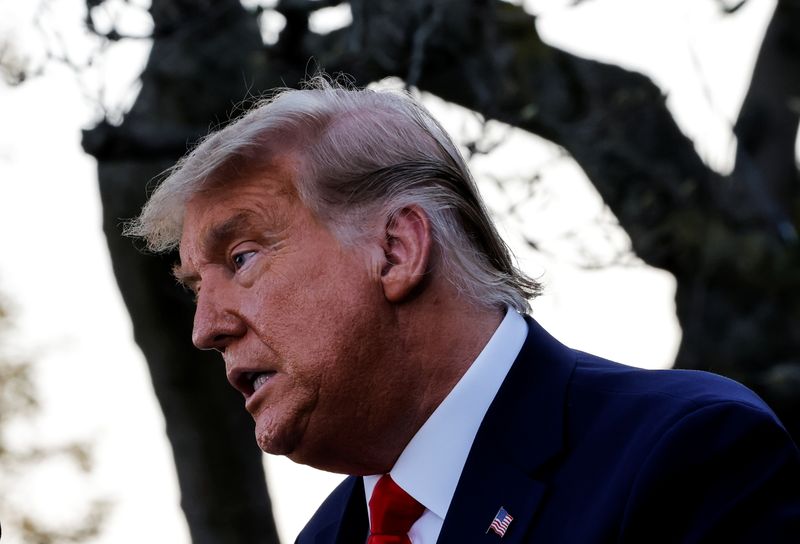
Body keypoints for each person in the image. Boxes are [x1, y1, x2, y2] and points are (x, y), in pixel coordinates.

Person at [127, 76, 800, 543]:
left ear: (397, 250)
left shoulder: (685, 457)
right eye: (194, 284)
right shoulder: (326, 537)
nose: (206, 327)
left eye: (241, 258)